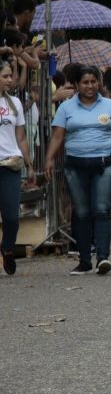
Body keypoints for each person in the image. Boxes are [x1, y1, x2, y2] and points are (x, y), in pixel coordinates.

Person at [44, 65, 111, 275]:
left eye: (93, 82)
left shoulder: (110, 106)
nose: (90, 86)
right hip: (75, 166)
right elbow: (57, 136)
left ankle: (103, 257)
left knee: (101, 209)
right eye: (85, 82)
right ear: (76, 85)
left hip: (105, 164)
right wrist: (49, 159)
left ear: (99, 83)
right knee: (81, 212)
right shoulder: (66, 108)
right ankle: (84, 260)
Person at [0, 60, 35, 274]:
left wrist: (29, 165)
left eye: (11, 76)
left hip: (11, 165)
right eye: (5, 76)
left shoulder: (15, 103)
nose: (11, 80)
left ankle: (7, 248)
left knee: (12, 218)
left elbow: (21, 138)